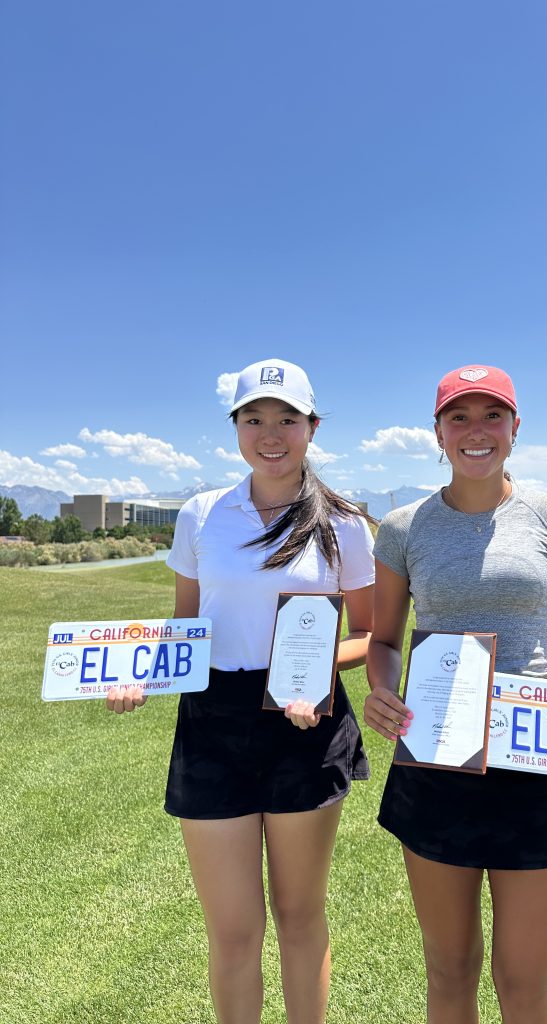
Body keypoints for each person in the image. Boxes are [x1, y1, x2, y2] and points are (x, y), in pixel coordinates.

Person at [107, 358, 375, 1024]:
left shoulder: (344, 524)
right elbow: (187, 622)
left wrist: (313, 675)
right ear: (236, 427)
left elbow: (372, 635)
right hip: (213, 724)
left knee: (298, 916)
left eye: (287, 419)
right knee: (231, 931)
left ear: (312, 427)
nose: (271, 433)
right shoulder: (203, 514)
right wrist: (146, 668)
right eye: (254, 418)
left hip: (305, 725)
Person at [364, 364, 547, 1024]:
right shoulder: (402, 527)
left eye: (492, 415)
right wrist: (382, 690)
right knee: (449, 971)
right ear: (437, 433)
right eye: (459, 418)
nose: (477, 431)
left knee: (526, 983)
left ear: (516, 428)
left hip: (534, 767)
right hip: (436, 764)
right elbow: (384, 641)